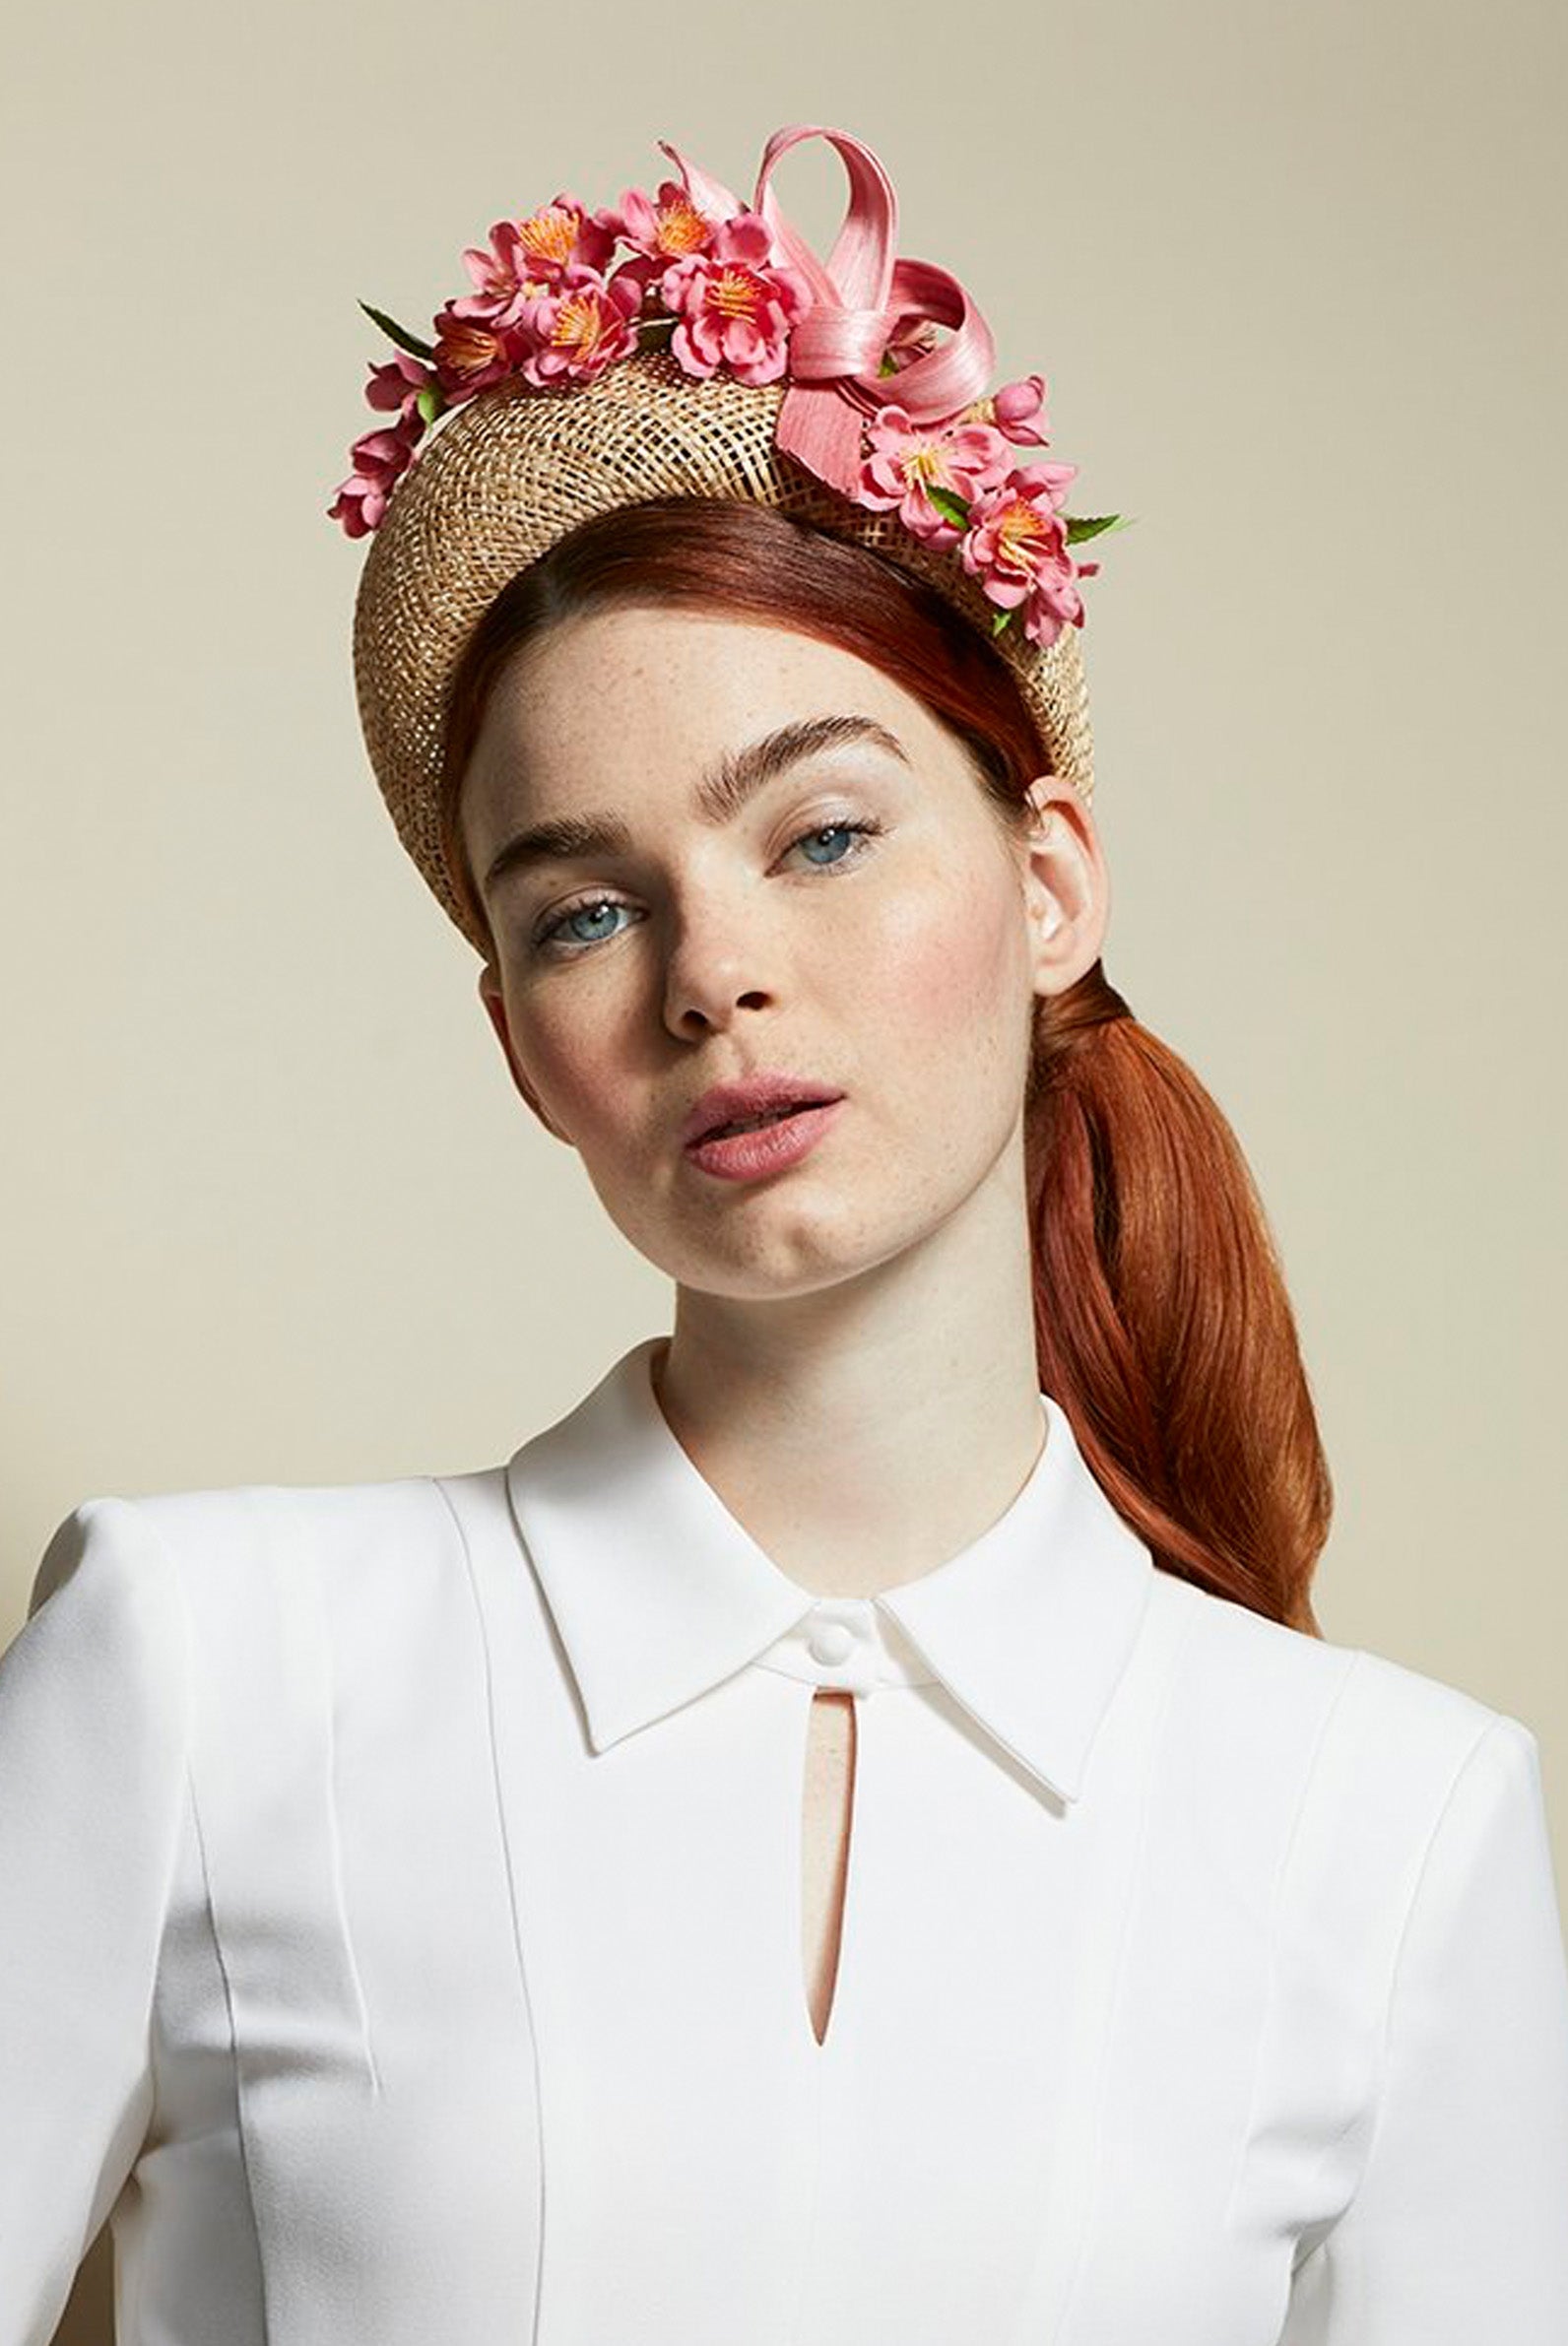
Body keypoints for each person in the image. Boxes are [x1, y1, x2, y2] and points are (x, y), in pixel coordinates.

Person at [3, 117, 1566, 2345]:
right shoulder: (200, 1667)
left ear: (1049, 885)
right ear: (520, 1040)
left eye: (821, 835)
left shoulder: (1391, 1828)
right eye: (587, 908)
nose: (713, 974)